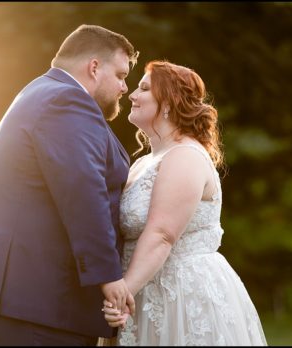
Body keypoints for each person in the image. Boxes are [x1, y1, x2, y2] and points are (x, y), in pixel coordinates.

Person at [0, 24, 139, 346]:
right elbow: (83, 193)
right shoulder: (66, 101)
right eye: (121, 75)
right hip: (33, 298)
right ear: (94, 67)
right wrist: (107, 276)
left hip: (25, 298)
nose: (124, 88)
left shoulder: (43, 92)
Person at [101, 61, 268, 345]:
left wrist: (122, 293)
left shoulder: (185, 156)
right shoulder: (143, 162)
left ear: (167, 102)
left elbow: (162, 234)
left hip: (180, 294)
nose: (131, 94)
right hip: (142, 291)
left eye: (143, 88)